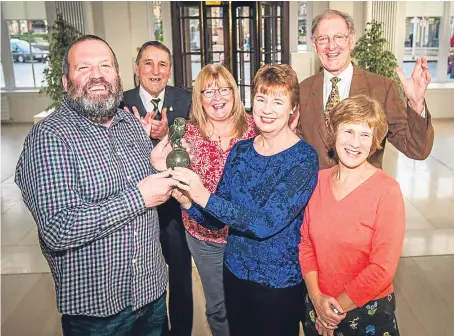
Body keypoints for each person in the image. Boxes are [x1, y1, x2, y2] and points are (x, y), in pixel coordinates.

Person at [15, 35, 180, 335]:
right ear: (65, 81)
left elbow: (138, 185)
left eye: (105, 65)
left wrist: (154, 164)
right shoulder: (50, 137)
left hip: (152, 294)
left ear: (118, 74)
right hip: (99, 312)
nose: (97, 75)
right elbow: (58, 227)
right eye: (84, 67)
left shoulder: (130, 123)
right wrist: (139, 197)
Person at [171, 64, 319, 336]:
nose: (267, 109)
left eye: (278, 101)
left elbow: (264, 223)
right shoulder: (241, 151)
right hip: (235, 273)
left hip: (278, 282)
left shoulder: (303, 159)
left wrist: (204, 195)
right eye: (261, 99)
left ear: (292, 109)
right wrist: (189, 202)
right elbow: (216, 222)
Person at [299, 95, 406, 336]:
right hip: (318, 306)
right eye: (348, 131)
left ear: (375, 142)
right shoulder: (317, 181)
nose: (355, 143)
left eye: (365, 135)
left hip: (368, 312)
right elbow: (305, 244)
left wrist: (333, 312)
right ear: (334, 133)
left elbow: (382, 268)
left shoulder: (387, 191)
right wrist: (317, 298)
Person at [296, 9, 434, 170]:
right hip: (317, 191)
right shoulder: (303, 90)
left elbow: (417, 150)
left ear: (352, 40)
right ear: (314, 44)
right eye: (323, 39)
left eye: (339, 37)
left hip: (363, 191)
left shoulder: (382, 89)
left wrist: (417, 103)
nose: (331, 46)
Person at [121, 41, 193, 336]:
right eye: (148, 63)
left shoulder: (186, 99)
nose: (155, 71)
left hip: (175, 208)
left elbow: (201, 140)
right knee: (138, 279)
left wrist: (173, 134)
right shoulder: (119, 102)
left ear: (170, 70)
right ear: (137, 68)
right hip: (134, 211)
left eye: (162, 64)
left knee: (180, 277)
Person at [179, 63, 256, 336]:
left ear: (234, 93)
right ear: (199, 98)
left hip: (247, 237)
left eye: (224, 90)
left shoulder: (255, 128)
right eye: (208, 91)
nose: (218, 98)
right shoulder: (187, 135)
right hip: (204, 237)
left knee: (251, 303)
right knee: (218, 306)